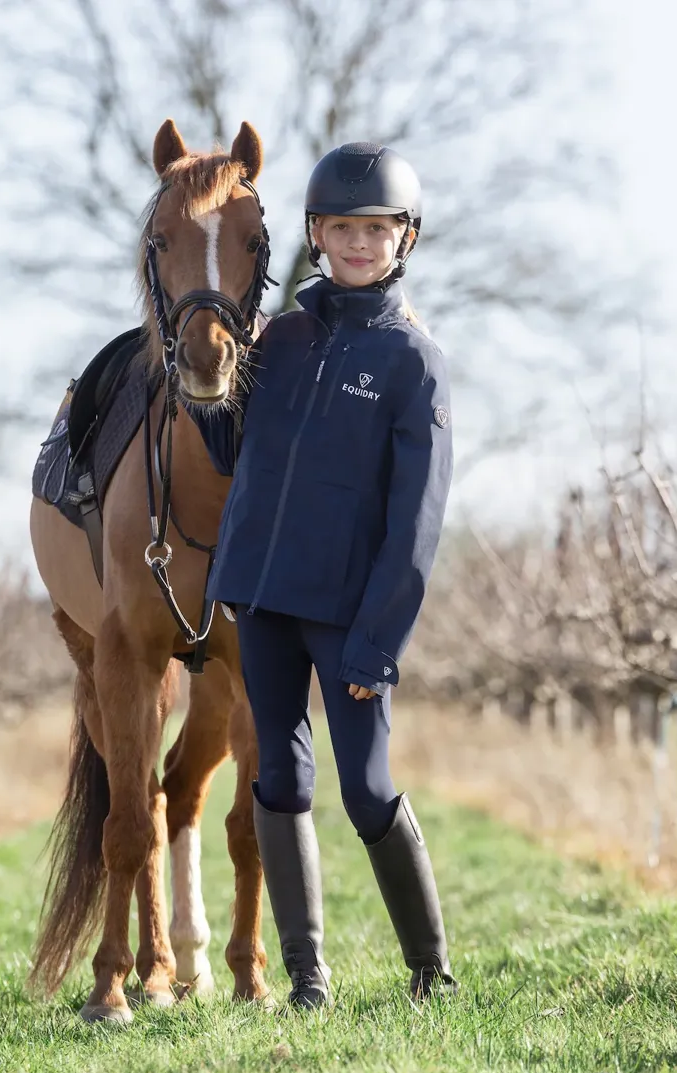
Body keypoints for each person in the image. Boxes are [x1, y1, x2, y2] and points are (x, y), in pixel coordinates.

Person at [187, 142, 456, 1007]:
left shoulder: (414, 361)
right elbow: (234, 452)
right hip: (263, 598)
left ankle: (431, 971)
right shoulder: (282, 338)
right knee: (277, 778)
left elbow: (417, 523)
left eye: (376, 229)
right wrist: (211, 385)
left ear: (405, 237)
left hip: (350, 616)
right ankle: (307, 976)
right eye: (343, 228)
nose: (358, 244)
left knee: (367, 789)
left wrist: (380, 642)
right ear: (317, 234)